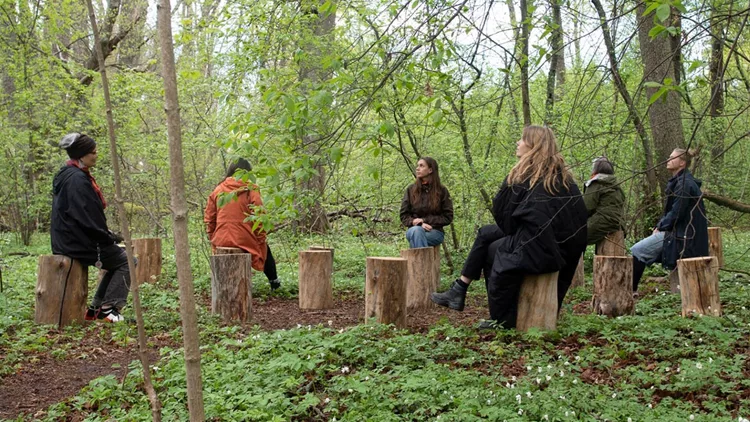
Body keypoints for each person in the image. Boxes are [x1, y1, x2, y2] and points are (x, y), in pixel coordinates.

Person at [431, 126, 588, 329]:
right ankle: (459, 289)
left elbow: (504, 213)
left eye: (522, 139)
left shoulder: (529, 174)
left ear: (533, 145)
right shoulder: (562, 177)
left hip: (544, 246)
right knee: (485, 233)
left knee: (493, 251)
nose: (518, 142)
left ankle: (503, 320)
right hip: (557, 245)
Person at [51, 133, 129, 323]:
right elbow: (86, 217)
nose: (96, 155)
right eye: (92, 152)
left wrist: (108, 235)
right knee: (127, 262)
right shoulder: (77, 180)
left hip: (69, 239)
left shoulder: (68, 174)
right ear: (81, 154)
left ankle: (95, 309)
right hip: (76, 243)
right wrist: (106, 237)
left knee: (119, 258)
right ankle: (108, 309)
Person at [631, 148, 708, 291]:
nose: (668, 159)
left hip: (685, 238)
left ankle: (630, 291)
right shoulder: (682, 181)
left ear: (682, 163)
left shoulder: (684, 184)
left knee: (637, 250)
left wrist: (660, 227)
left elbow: (676, 213)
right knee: (643, 250)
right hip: (682, 234)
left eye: (672, 157)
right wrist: (660, 226)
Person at [204, 158, 281, 290]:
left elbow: (209, 218)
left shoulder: (218, 189)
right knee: (265, 250)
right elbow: (259, 216)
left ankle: (223, 288)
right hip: (244, 238)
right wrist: (261, 238)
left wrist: (213, 237)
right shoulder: (251, 189)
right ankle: (274, 282)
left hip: (221, 238)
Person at [399, 157, 454, 248]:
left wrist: (425, 220)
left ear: (430, 170)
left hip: (434, 232)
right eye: (417, 165)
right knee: (417, 232)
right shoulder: (411, 190)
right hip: (413, 230)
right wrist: (417, 223)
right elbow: (404, 216)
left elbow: (448, 217)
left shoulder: (442, 191)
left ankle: (417, 262)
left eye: (421, 166)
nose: (417, 168)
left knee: (416, 238)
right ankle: (422, 262)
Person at [583, 157, 626, 245]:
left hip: (601, 222)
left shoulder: (595, 183)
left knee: (574, 237)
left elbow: (587, 208)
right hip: (619, 225)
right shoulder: (616, 185)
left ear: (595, 169)